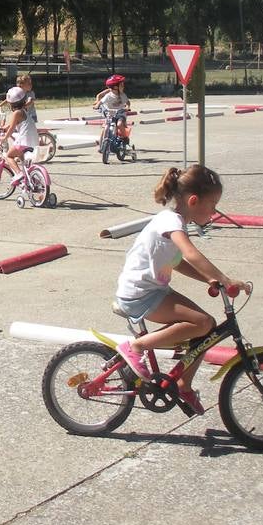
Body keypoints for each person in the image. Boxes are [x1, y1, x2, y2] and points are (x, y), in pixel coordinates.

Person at [114, 165, 246, 415]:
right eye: (213, 204)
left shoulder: (175, 222)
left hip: (154, 291)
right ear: (194, 201)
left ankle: (183, 384)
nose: (215, 211)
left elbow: (177, 262)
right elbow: (189, 253)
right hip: (139, 294)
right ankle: (137, 347)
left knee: (205, 329)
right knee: (203, 322)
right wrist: (223, 278)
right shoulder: (170, 221)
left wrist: (208, 279)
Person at [3, 86, 38, 176]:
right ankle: (27, 179)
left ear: (11, 103)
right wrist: (6, 127)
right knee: (22, 160)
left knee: (9, 156)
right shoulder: (23, 111)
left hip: (24, 142)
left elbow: (11, 129)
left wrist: (5, 138)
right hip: (33, 141)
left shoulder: (16, 113)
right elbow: (14, 124)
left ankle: (19, 174)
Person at [94, 74, 131, 144]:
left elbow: (127, 102)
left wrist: (127, 107)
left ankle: (125, 137)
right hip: (110, 114)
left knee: (119, 124)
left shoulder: (122, 95)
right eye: (121, 85)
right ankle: (101, 142)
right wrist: (97, 105)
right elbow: (101, 101)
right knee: (106, 127)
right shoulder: (108, 95)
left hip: (120, 113)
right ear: (115, 87)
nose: (123, 86)